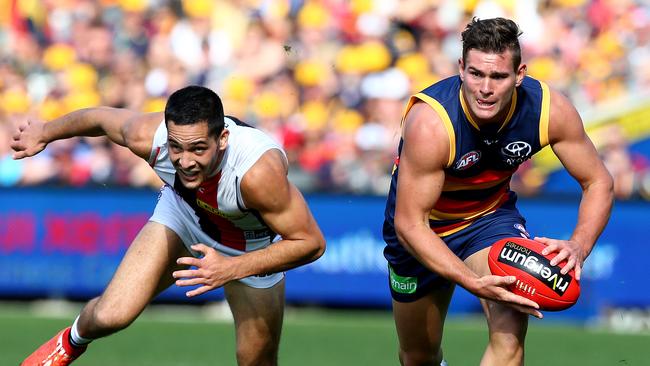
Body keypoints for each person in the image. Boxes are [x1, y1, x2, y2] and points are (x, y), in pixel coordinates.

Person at [12, 85, 326, 366]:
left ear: (223, 139)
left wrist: (232, 268)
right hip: (183, 216)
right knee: (111, 315)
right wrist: (45, 132)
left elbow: (310, 242)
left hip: (250, 245)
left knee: (255, 360)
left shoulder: (257, 175)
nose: (185, 161)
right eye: (177, 147)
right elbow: (99, 118)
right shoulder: (148, 136)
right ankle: (68, 343)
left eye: (198, 149)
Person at [382, 17, 613, 366]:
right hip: (422, 230)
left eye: (499, 76)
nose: (485, 88)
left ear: (519, 74)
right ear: (461, 69)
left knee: (510, 332)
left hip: (488, 221)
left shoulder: (549, 110)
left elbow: (599, 182)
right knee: (418, 356)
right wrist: (470, 282)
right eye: (476, 74)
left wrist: (579, 246)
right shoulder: (431, 124)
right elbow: (410, 224)